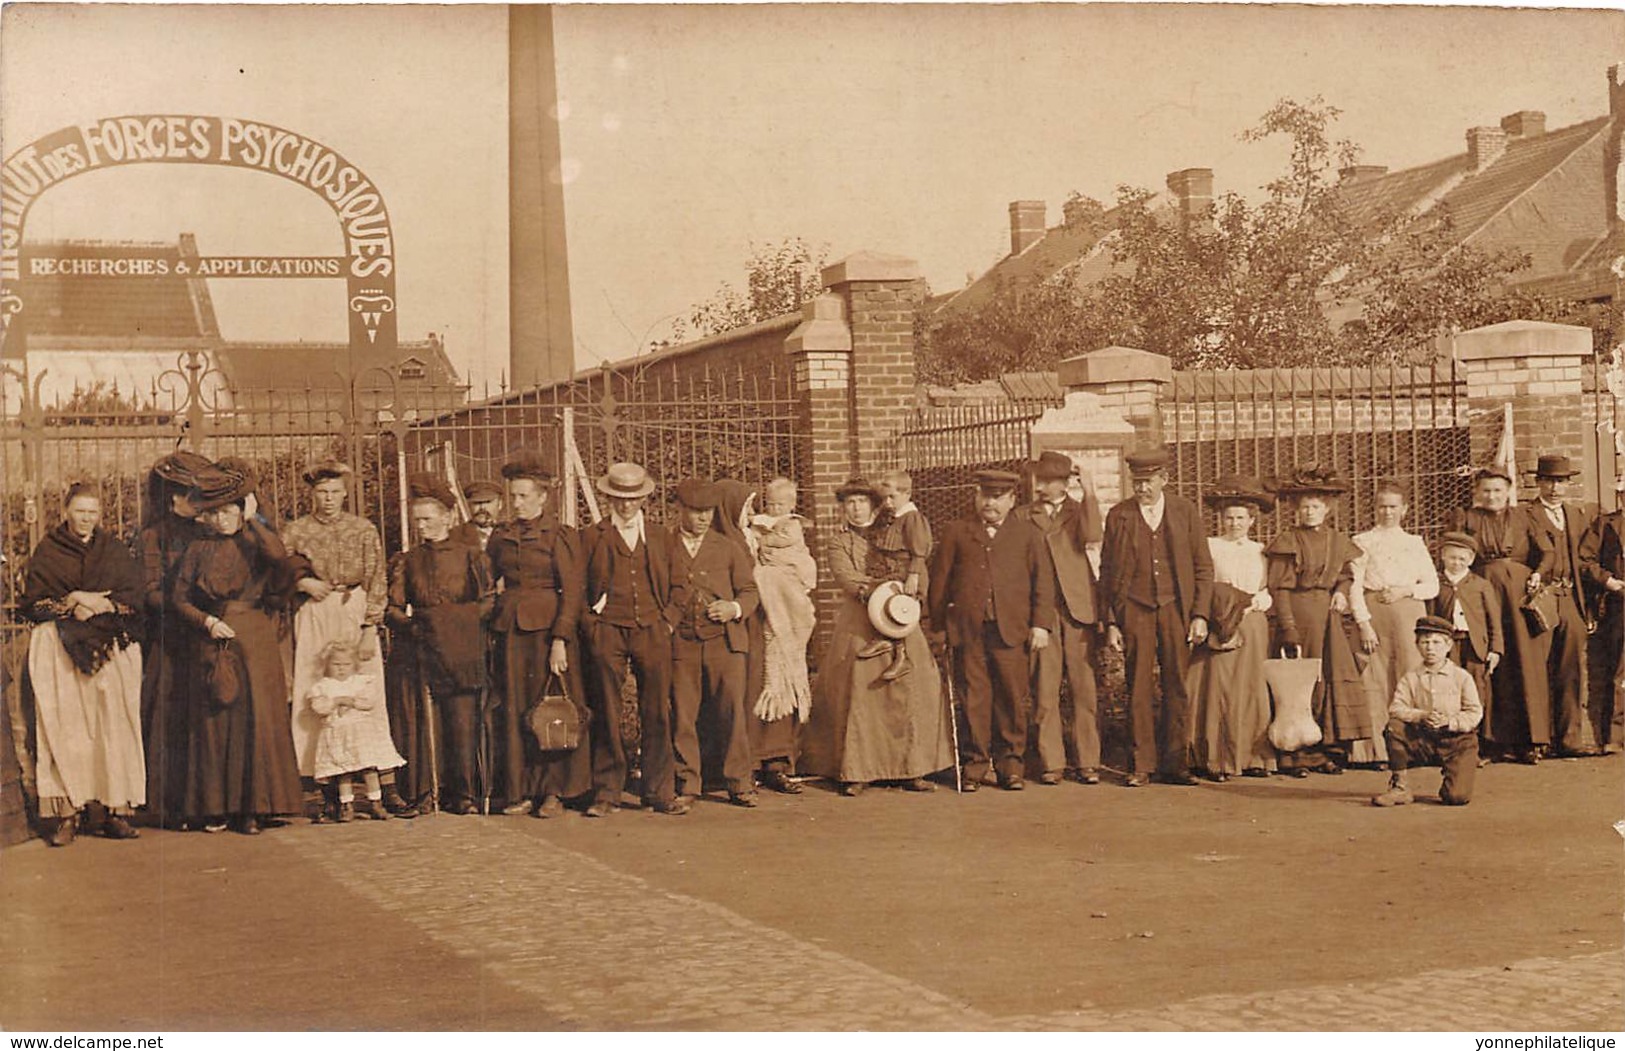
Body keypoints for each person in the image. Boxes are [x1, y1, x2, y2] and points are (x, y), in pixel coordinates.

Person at [171, 463, 304, 835]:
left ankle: (254, 809)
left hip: (256, 640)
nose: (221, 518)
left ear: (241, 510)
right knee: (217, 723)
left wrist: (253, 519)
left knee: (258, 721)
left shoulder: (258, 542)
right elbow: (178, 598)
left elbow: (280, 559)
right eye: (215, 512)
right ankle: (217, 807)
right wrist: (207, 622)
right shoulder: (198, 548)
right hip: (215, 638)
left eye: (229, 510)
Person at [802, 479, 954, 795]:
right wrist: (878, 589)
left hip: (899, 615)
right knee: (859, 689)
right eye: (849, 503)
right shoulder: (838, 542)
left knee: (912, 688)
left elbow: (916, 561)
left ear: (873, 505)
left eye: (861, 501)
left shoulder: (894, 529)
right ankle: (857, 770)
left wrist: (905, 590)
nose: (855, 508)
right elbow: (846, 576)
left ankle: (912, 768)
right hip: (861, 620)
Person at [283, 461, 413, 818]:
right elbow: (275, 570)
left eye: (335, 492)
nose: (328, 499)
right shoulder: (296, 531)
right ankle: (325, 788)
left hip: (353, 607)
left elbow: (377, 576)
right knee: (317, 693)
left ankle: (383, 787)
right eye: (321, 492)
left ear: (345, 493)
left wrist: (370, 626)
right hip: (315, 609)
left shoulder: (363, 529)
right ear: (312, 494)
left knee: (367, 693)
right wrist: (302, 583)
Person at [22, 483, 147, 846]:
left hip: (109, 647)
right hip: (60, 647)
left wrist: (101, 604)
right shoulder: (48, 551)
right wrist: (70, 603)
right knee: (66, 729)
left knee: (112, 726)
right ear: (66, 511)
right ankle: (68, 813)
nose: (86, 518)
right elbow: (33, 603)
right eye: (80, 511)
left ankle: (114, 810)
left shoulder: (113, 550)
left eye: (92, 511)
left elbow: (134, 597)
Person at [930, 469, 1055, 791]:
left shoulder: (1028, 534)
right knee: (974, 698)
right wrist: (940, 627)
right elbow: (940, 584)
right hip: (968, 630)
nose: (990, 503)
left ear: (1012, 500)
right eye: (985, 496)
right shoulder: (957, 532)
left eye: (998, 498)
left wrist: (1040, 624)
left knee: (1011, 698)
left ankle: (1011, 766)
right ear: (975, 495)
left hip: (1011, 629)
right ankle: (974, 766)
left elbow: (1042, 583)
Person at [1100, 447, 1212, 787]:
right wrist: (1112, 621)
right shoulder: (1119, 515)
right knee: (1138, 686)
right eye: (1137, 482)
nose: (1142, 489)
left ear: (1165, 479)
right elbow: (1106, 571)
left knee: (1177, 684)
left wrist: (1199, 615)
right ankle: (1141, 764)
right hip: (1134, 608)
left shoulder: (1184, 512)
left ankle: (1175, 763)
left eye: (1148, 482)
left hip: (1175, 608)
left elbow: (1203, 567)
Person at [486, 451, 590, 818]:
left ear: (543, 497)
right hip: (512, 634)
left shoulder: (560, 535)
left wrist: (561, 639)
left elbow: (573, 590)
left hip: (548, 635)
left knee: (552, 709)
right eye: (513, 496)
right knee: (518, 709)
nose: (516, 503)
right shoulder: (501, 536)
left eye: (524, 496)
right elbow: (487, 581)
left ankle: (554, 791)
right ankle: (522, 789)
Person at [581, 462, 685, 816]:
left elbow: (680, 584)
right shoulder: (592, 536)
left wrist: (668, 621)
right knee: (607, 709)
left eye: (633, 499)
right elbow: (580, 588)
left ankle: (659, 791)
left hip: (653, 628)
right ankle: (607, 791)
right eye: (619, 499)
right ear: (608, 498)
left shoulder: (660, 537)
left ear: (644, 498)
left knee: (656, 709)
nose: (626, 506)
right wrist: (593, 626)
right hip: (608, 629)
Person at [387, 475, 495, 815]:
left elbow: (489, 600)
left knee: (462, 721)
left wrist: (457, 622)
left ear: (448, 518)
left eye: (429, 519)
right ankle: (425, 792)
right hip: (423, 648)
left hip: (462, 649)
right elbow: (391, 607)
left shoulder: (470, 556)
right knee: (423, 723)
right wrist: (414, 626)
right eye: (417, 520)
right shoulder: (409, 560)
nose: (422, 526)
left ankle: (463, 794)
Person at [1264, 465, 1370, 776]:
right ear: (1296, 510)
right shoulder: (1287, 540)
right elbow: (1280, 588)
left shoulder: (1337, 540)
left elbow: (1347, 575)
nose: (1309, 512)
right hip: (1298, 614)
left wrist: (1341, 590)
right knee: (1298, 683)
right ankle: (1293, 756)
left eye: (1316, 507)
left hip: (1328, 618)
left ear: (1327, 509)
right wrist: (1289, 628)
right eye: (1304, 507)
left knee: (1326, 681)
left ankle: (1323, 752)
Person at [1012, 450, 1105, 785]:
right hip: (1042, 612)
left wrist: (1090, 488)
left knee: (1085, 691)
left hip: (1078, 610)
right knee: (1045, 691)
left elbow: (1093, 535)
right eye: (1040, 479)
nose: (1041, 486)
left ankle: (1088, 762)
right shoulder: (1023, 515)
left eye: (1049, 480)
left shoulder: (1079, 511)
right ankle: (1053, 762)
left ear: (1065, 483)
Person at [666, 478, 760, 808]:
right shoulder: (665, 545)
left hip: (725, 642)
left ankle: (739, 782)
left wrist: (733, 608)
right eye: (695, 512)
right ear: (679, 510)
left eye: (707, 512)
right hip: (682, 643)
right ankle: (688, 784)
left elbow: (750, 592)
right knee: (683, 716)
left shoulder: (727, 546)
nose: (703, 518)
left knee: (731, 712)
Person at [1455, 466, 1553, 764]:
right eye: (1486, 490)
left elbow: (1548, 553)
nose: (1492, 496)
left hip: (1518, 594)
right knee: (1490, 660)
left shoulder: (1525, 516)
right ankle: (1491, 743)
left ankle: (1531, 741)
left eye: (1498, 490)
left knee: (1525, 661)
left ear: (1508, 491)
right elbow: (1456, 551)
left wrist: (1538, 574)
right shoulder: (1467, 517)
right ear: (1477, 493)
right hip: (1483, 592)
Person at [136, 449, 211, 827]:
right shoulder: (153, 535)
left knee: (203, 719)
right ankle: (169, 806)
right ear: (174, 497)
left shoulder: (209, 531)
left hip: (205, 634)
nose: (198, 503)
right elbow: (149, 590)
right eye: (191, 495)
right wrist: (183, 606)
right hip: (169, 637)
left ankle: (202, 801)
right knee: (168, 718)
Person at [1184, 475, 1276, 781]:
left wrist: (1259, 601)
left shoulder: (1261, 551)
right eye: (1229, 517)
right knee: (1217, 689)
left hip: (1251, 622)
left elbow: (1268, 588)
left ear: (1252, 520)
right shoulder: (1210, 547)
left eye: (1241, 518)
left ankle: (1251, 757)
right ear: (1220, 519)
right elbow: (1202, 583)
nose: (1234, 523)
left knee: (1249, 688)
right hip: (1220, 622)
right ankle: (1214, 759)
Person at [1348, 480, 1440, 765]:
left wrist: (1405, 590)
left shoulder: (1414, 543)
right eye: (1382, 507)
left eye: (1393, 507)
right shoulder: (1362, 542)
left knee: (1409, 677)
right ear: (1374, 509)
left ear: (1405, 510)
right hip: (1375, 613)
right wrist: (1363, 622)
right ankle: (1375, 751)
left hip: (1408, 615)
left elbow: (1433, 585)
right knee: (1374, 680)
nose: (1388, 512)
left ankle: (1414, 750)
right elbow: (1354, 586)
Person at [729, 478, 813, 795]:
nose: (768, 510)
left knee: (781, 679)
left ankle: (778, 761)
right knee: (757, 688)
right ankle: (753, 761)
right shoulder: (742, 538)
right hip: (755, 622)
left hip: (782, 618)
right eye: (763, 504)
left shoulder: (787, 528)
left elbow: (799, 564)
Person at [1523, 454, 1598, 756]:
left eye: (1561, 481)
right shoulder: (1526, 514)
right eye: (1549, 481)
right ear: (1538, 482)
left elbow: (1585, 563)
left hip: (1571, 597)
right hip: (1542, 596)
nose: (1555, 487)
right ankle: (1539, 740)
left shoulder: (1576, 515)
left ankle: (1569, 739)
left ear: (1568, 484)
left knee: (1570, 669)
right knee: (1538, 667)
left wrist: (1587, 608)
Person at [1370, 616, 1483, 807]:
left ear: (1448, 646)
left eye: (1436, 642)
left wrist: (1449, 721)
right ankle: (1400, 787)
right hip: (1424, 740)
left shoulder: (1461, 677)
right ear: (1417, 645)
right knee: (1394, 728)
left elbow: (1474, 713)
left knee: (1457, 797)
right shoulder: (1411, 677)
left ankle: (1454, 778)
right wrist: (1421, 716)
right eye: (1425, 642)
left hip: (1456, 742)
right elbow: (1396, 708)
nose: (1430, 648)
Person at [306, 639, 401, 822]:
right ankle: (346, 805)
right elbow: (320, 708)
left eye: (346, 664)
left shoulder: (360, 682)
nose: (341, 669)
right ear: (327, 665)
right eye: (336, 664)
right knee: (344, 771)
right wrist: (337, 700)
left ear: (355, 665)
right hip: (337, 734)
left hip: (361, 733)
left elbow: (368, 703)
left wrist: (350, 701)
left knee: (370, 768)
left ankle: (375, 802)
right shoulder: (323, 686)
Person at [1429, 531, 1502, 764]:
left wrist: (1495, 649)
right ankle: (1446, 749)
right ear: (1443, 557)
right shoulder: (1436, 584)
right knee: (1446, 692)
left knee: (1475, 693)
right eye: (1452, 558)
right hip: (1447, 649)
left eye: (1462, 559)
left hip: (1474, 647)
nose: (1457, 562)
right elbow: (1430, 617)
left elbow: (1494, 620)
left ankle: (1474, 748)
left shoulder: (1480, 585)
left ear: (1470, 560)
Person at [867, 471, 932, 682]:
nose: (888, 502)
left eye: (892, 497)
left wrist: (913, 576)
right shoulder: (890, 517)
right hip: (892, 572)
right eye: (885, 497)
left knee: (901, 612)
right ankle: (887, 642)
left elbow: (919, 550)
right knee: (887, 609)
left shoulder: (912, 518)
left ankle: (902, 657)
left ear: (907, 493)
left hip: (907, 572)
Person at [1580, 478, 1625, 755]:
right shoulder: (1605, 525)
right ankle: (1617, 734)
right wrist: (1609, 582)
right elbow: (1585, 560)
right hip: (1621, 603)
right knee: (1622, 670)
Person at [451, 480, 504, 551]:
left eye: (488, 502)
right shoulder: (455, 536)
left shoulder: (508, 533)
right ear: (469, 505)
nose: (482, 507)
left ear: (500, 504)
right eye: (476, 503)